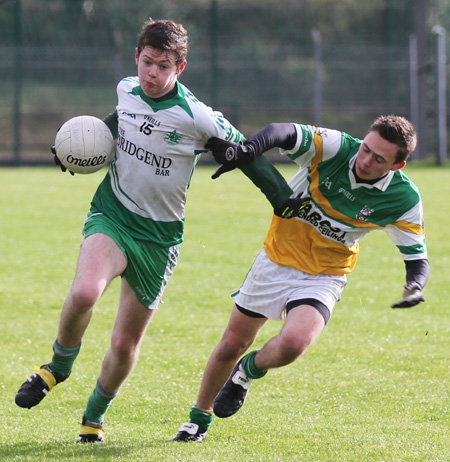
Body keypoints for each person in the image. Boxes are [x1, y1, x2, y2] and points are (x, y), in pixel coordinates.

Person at [14, 19, 298, 443]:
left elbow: (249, 158)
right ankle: (57, 367)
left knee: (125, 345)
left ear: (179, 67)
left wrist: (282, 198)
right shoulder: (127, 90)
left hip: (159, 239)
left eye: (163, 66)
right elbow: (110, 129)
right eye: (147, 62)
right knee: (84, 293)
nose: (152, 73)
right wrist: (76, 148)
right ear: (137, 58)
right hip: (112, 215)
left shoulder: (198, 117)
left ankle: (93, 418)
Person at [172, 115, 429, 442]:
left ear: (397, 164)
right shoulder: (336, 148)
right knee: (232, 344)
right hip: (277, 257)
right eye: (366, 149)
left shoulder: (404, 199)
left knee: (293, 344)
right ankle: (198, 418)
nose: (365, 160)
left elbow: (417, 259)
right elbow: (282, 132)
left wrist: (415, 286)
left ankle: (247, 371)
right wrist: (249, 150)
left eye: (379, 159)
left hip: (325, 274)